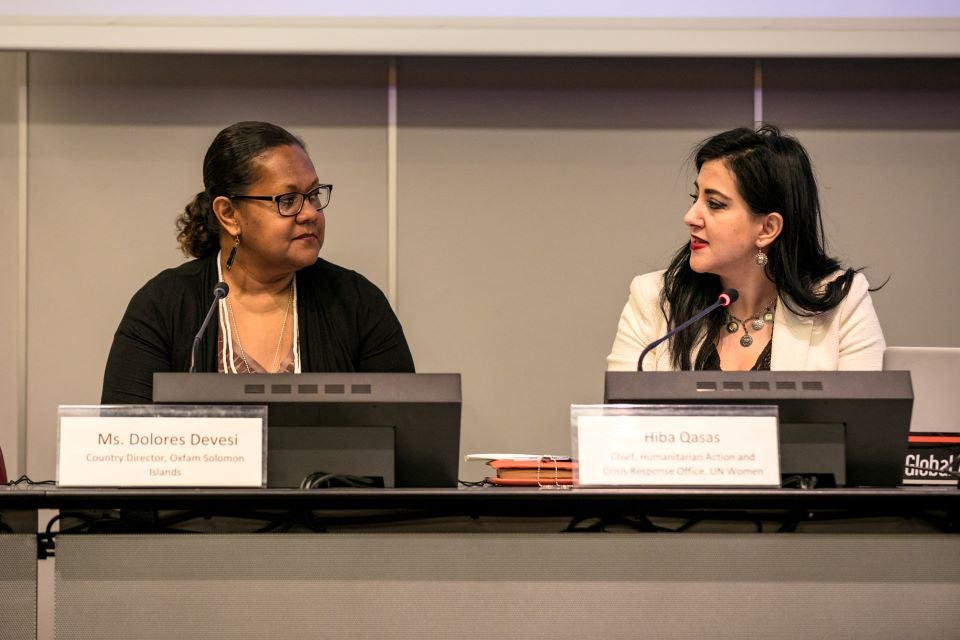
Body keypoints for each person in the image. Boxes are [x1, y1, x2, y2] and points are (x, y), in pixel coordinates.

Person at [102, 121, 414, 403]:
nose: (310, 213)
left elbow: (406, 439)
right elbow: (125, 442)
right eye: (287, 201)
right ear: (228, 214)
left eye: (314, 195)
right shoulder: (164, 306)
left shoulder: (355, 302)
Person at [607, 124, 885, 372]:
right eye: (696, 198)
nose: (690, 217)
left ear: (767, 229)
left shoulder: (842, 304)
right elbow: (621, 424)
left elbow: (868, 425)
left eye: (714, 204)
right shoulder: (653, 299)